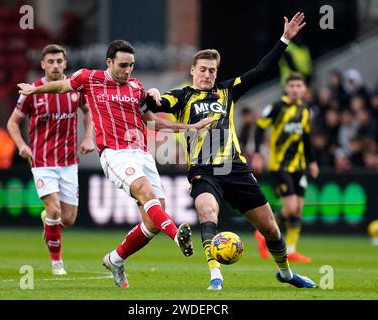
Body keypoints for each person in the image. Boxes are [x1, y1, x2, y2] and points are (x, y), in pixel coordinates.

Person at [17, 40, 215, 288]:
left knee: (153, 221)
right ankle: (177, 236)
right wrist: (33, 90)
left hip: (142, 154)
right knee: (146, 192)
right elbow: (62, 87)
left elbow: (152, 121)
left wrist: (189, 127)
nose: (128, 70)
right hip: (115, 154)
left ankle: (115, 259)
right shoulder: (90, 78)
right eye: (123, 65)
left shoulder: (136, 87)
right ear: (109, 62)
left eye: (131, 65)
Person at [146, 12, 317, 290]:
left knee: (270, 228)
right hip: (203, 171)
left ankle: (286, 273)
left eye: (212, 70)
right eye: (202, 69)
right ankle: (216, 276)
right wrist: (150, 94)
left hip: (235, 168)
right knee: (207, 213)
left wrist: (285, 39)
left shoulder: (228, 91)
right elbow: (154, 105)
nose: (207, 74)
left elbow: (261, 70)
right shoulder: (181, 97)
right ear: (192, 70)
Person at [7, 44, 95, 275]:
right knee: (55, 210)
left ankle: (48, 218)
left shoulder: (75, 89)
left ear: (65, 64)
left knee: (68, 220)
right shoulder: (32, 91)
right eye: (51, 62)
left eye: (59, 61)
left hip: (68, 161)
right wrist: (21, 145)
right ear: (43, 64)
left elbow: (88, 112)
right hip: (42, 160)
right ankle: (57, 263)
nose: (55, 65)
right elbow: (12, 122)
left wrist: (88, 138)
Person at [252, 72, 319, 263]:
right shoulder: (277, 107)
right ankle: (263, 232)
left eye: (300, 86)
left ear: (305, 89)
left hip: (299, 166)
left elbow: (306, 138)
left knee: (298, 208)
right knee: (290, 208)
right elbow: (259, 127)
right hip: (280, 165)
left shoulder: (305, 110)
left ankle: (291, 249)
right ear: (286, 88)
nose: (296, 89)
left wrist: (312, 162)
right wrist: (257, 153)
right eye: (293, 86)